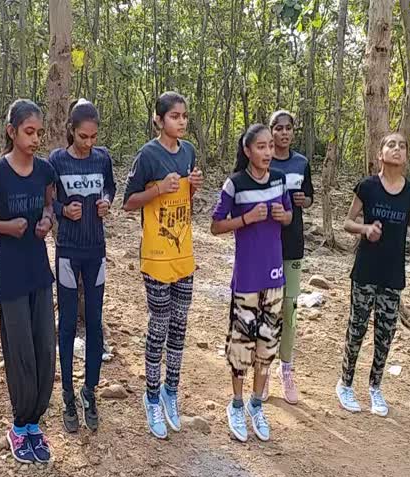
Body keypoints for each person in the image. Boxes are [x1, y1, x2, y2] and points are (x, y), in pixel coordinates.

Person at [0, 99, 56, 464]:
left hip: (39, 271)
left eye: (39, 133)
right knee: (19, 352)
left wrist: (48, 220)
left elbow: (50, 205)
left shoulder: (45, 170)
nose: (35, 139)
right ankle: (19, 426)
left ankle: (36, 423)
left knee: (44, 347)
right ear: (11, 131)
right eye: (28, 132)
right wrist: (4, 226)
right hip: (11, 275)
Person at [122, 91, 203, 439]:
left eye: (184, 116)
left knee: (180, 326)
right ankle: (151, 396)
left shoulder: (188, 152)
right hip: (155, 255)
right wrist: (157, 189)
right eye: (174, 116)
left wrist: (192, 188)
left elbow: (184, 198)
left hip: (184, 253)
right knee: (159, 324)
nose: (181, 122)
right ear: (158, 119)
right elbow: (128, 202)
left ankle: (172, 391)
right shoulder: (148, 155)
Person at [210, 124, 292, 442]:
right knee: (241, 345)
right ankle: (236, 404)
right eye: (261, 147)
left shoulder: (279, 180)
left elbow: (288, 217)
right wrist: (246, 219)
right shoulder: (235, 184)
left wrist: (282, 215)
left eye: (270, 146)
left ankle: (257, 404)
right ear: (247, 151)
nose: (268, 152)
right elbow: (216, 225)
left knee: (267, 343)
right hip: (246, 278)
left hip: (274, 276)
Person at [336, 132, 410, 417]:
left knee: (385, 333)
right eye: (391, 145)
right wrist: (366, 230)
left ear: (406, 156)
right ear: (380, 154)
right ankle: (345, 384)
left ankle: (375, 387)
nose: (396, 149)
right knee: (357, 328)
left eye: (402, 146)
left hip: (392, 274)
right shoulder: (367, 187)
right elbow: (348, 222)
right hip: (365, 271)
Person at [49, 99, 116, 433]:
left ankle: (90, 390)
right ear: (71, 131)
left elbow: (111, 188)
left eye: (93, 136)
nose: (88, 143)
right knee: (66, 324)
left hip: (96, 250)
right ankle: (67, 395)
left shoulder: (103, 159)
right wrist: (63, 211)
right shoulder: (57, 161)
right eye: (82, 137)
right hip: (67, 251)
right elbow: (49, 201)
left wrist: (106, 203)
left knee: (94, 321)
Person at [263, 110, 314, 404]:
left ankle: (287, 370)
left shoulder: (301, 163)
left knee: (290, 311)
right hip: (266, 245)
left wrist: (302, 201)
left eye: (288, 129)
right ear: (270, 131)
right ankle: (265, 370)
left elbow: (309, 196)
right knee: (267, 309)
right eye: (278, 128)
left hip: (293, 243)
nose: (283, 133)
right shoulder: (263, 161)